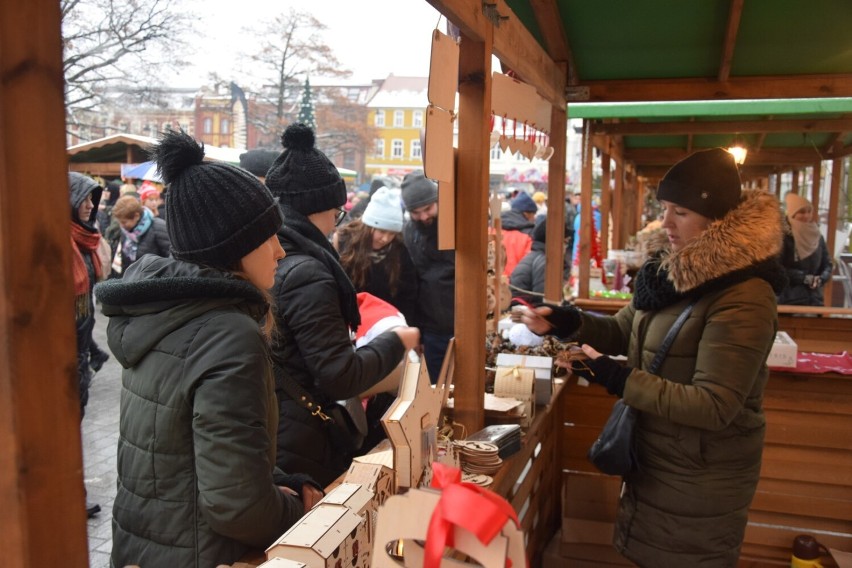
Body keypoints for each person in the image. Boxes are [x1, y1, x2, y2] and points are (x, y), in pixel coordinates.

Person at [520, 148, 787, 567]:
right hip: (660, 462)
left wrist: (617, 377)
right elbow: (627, 329)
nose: (665, 223)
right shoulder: (674, 273)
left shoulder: (745, 295)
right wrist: (567, 322)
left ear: (717, 219)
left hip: (701, 479)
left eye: (679, 211)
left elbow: (715, 405)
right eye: (665, 209)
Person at [94, 130, 322, 568]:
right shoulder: (228, 334)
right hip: (201, 552)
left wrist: (277, 481)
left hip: (145, 546)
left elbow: (189, 449)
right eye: (266, 238)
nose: (279, 251)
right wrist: (301, 509)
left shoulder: (163, 312)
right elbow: (237, 507)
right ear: (230, 249)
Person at [264, 123, 420, 487]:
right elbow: (339, 376)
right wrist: (396, 342)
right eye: (335, 212)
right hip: (301, 435)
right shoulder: (307, 272)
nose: (336, 221)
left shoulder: (274, 256)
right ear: (314, 208)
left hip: (278, 422)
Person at [69, 172, 107, 519]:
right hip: (64, 362)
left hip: (79, 356)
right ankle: (70, 495)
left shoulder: (85, 242)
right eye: (83, 197)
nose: (89, 204)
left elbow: (83, 309)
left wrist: (91, 350)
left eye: (92, 198)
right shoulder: (62, 245)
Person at [334, 185, 418, 324]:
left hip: (386, 323)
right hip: (348, 322)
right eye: (381, 231)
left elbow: (408, 294)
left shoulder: (400, 249)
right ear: (369, 226)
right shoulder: (344, 240)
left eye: (391, 233)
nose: (385, 238)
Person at [401, 169, 455, 384]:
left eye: (428, 208)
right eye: (416, 212)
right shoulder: (409, 232)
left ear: (438, 201)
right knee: (436, 390)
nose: (423, 216)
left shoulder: (456, 225)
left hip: (463, 324)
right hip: (432, 329)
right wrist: (418, 330)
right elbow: (411, 284)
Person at [777, 192, 833, 306]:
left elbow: (827, 264)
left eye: (809, 211)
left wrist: (821, 278)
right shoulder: (784, 237)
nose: (806, 215)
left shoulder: (817, 236)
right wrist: (805, 279)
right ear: (792, 213)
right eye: (801, 212)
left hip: (815, 299)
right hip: (791, 299)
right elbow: (779, 267)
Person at [111, 193, 170, 274]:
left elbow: (170, 261)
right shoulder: (126, 232)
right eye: (120, 222)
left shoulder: (159, 227)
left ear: (136, 216)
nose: (121, 226)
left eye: (124, 222)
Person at [498, 191, 537, 275]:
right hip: (515, 283)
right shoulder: (529, 234)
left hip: (491, 282)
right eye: (533, 214)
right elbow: (528, 263)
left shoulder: (492, 227)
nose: (534, 218)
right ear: (526, 214)